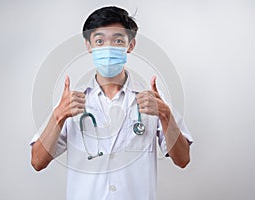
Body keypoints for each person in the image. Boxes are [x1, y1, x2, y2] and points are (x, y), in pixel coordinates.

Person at [30, 6, 193, 200]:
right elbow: (37, 161)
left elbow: (183, 160)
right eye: (99, 41)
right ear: (88, 46)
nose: (108, 48)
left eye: (117, 40)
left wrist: (165, 116)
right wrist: (58, 117)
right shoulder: (71, 103)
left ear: (130, 45)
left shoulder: (152, 101)